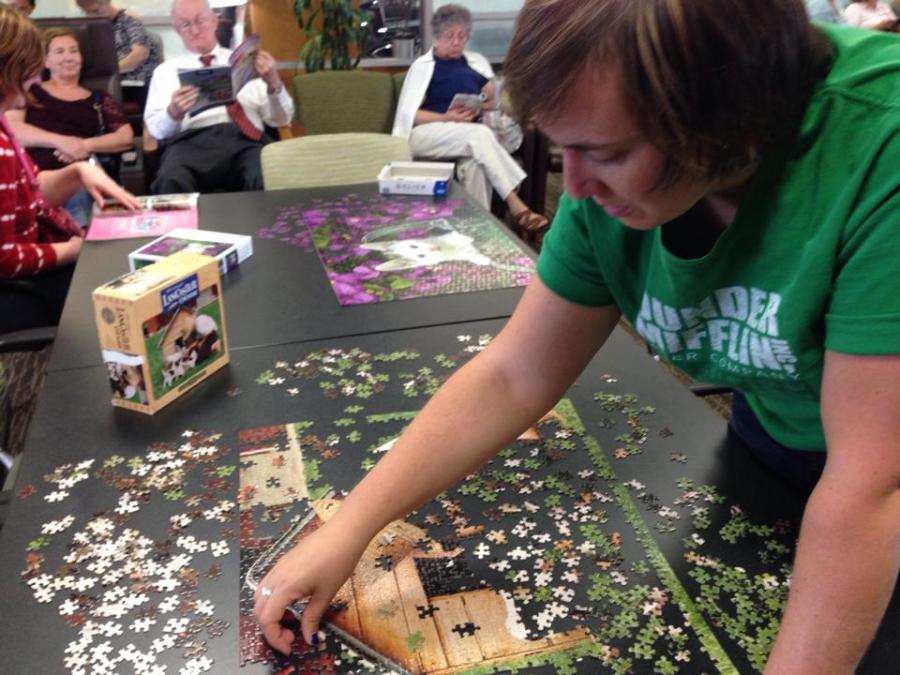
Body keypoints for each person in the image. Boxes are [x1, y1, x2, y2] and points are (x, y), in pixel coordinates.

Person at [253, 0, 900, 672]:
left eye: (607, 153)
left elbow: (868, 487)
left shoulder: (882, 148)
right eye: (565, 149)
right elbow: (515, 374)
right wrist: (349, 529)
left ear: (729, 120)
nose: (577, 186)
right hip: (775, 438)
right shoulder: (612, 180)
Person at [0, 5, 139, 332]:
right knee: (111, 295)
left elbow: (30, 192)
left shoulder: (5, 129)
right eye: (30, 70)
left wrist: (78, 172)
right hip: (16, 289)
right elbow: (4, 260)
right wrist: (76, 249)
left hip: (32, 258)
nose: (36, 80)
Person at [392, 4, 548, 237]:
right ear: (437, 36)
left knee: (476, 165)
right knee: (479, 135)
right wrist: (447, 117)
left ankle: (478, 232)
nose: (457, 42)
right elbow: (411, 115)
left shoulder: (474, 63)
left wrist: (481, 103)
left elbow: (491, 101)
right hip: (425, 134)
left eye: (462, 36)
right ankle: (516, 204)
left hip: (464, 136)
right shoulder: (423, 67)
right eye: (450, 36)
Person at [143, 0, 293, 194]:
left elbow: (282, 120)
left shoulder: (246, 61)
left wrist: (274, 84)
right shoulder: (165, 72)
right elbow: (156, 131)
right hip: (191, 142)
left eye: (200, 20)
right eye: (185, 24)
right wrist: (173, 113)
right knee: (170, 179)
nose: (195, 30)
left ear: (215, 21)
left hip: (245, 139)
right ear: (177, 29)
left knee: (265, 175)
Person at [6, 27, 134, 226]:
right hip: (33, 171)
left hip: (80, 170)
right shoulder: (30, 90)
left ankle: (79, 239)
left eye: (74, 51)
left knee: (78, 185)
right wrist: (60, 142)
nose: (68, 57)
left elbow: (125, 137)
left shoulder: (98, 97)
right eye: (59, 52)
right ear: (45, 61)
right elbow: (11, 128)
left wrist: (82, 145)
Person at [74, 0, 163, 114]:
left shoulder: (129, 20)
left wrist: (110, 71)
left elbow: (140, 55)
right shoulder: (94, 25)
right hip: (113, 82)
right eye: (87, 12)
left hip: (138, 82)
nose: (91, 16)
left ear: (107, 2)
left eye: (95, 11)